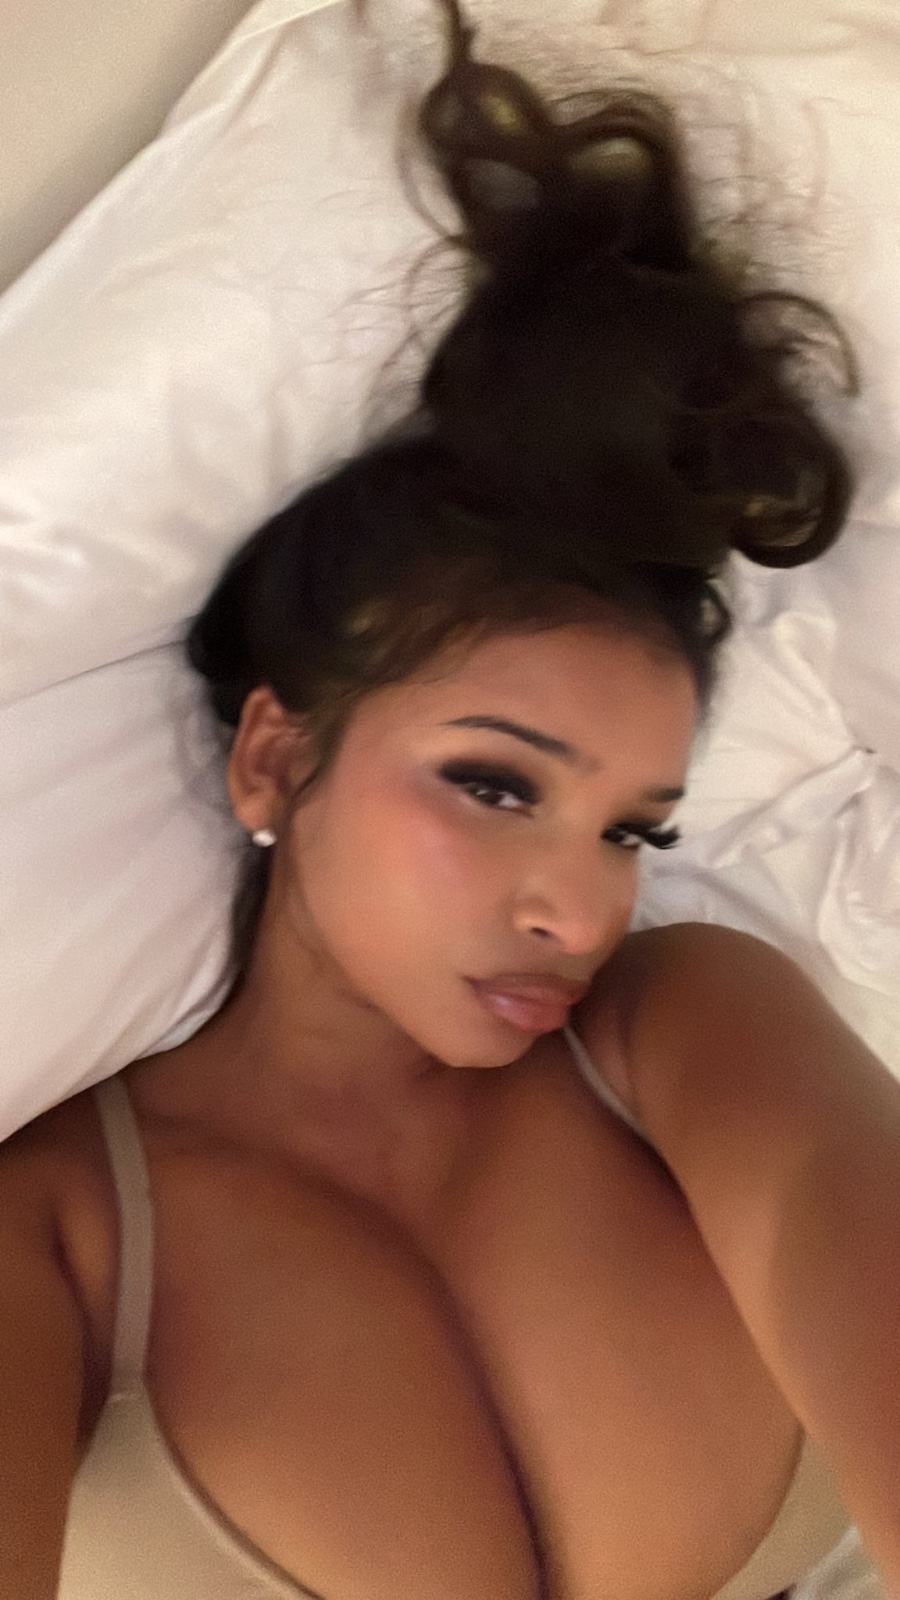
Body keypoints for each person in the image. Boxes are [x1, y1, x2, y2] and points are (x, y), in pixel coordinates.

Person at [1, 3, 898, 1597]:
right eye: (495, 784)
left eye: (633, 829)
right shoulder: (62, 1228)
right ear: (278, 757)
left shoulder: (688, 1030)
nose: (583, 906)